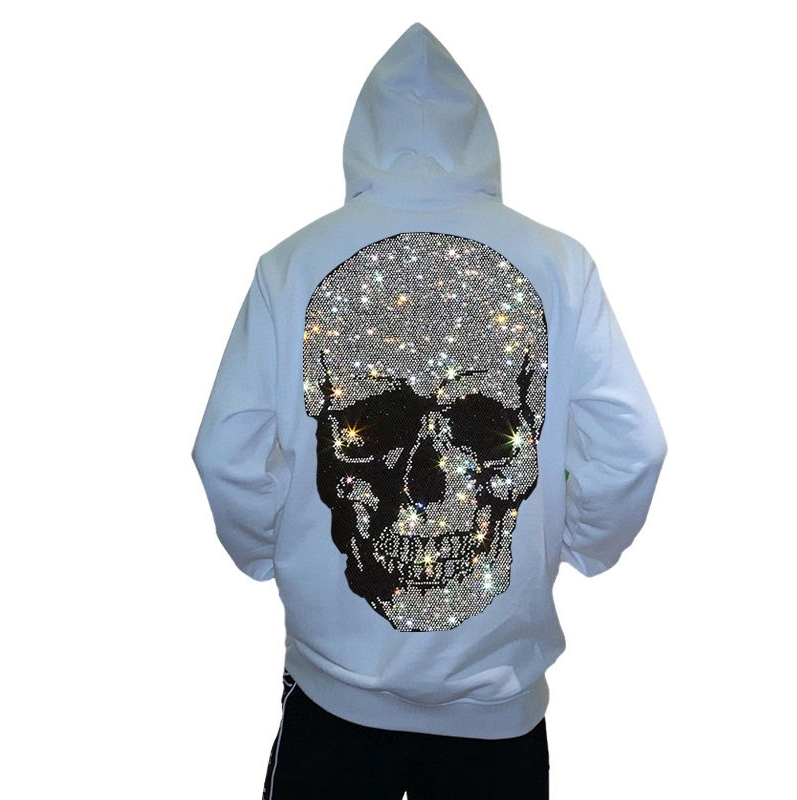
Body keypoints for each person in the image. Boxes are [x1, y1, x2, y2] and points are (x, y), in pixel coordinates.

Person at [191, 21, 668, 800]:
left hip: (333, 700)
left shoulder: (291, 265)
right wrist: (583, 543)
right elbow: (634, 448)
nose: (426, 483)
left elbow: (225, 454)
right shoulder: (561, 263)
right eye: (370, 426)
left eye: (484, 426)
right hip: (499, 712)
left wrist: (264, 553)